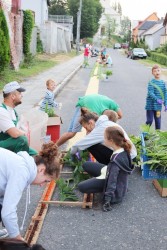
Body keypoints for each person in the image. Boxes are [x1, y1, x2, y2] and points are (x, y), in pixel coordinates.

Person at [0, 142, 60, 240]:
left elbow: (3, 198)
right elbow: (8, 212)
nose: (42, 185)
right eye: (45, 180)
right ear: (41, 170)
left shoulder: (22, 163)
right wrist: (17, 239)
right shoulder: (22, 171)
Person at [78, 126, 134, 212]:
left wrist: (107, 199)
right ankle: (96, 180)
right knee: (86, 165)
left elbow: (112, 181)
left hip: (111, 181)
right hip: (109, 172)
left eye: (104, 137)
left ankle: (99, 184)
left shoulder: (115, 161)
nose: (103, 139)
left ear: (111, 141)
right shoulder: (123, 150)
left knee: (81, 187)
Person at [70, 108, 137, 165]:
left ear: (90, 123)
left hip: (125, 160)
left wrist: (72, 157)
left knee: (91, 145)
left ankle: (108, 167)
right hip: (129, 156)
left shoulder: (100, 129)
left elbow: (77, 146)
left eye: (86, 128)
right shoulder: (106, 123)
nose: (87, 131)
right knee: (92, 143)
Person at [56, 94, 123, 147]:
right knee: (71, 133)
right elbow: (90, 133)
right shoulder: (94, 113)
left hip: (92, 100)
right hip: (84, 103)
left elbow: (120, 115)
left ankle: (87, 153)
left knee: (91, 132)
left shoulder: (112, 105)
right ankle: (53, 149)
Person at [0, 81, 37, 155]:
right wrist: (25, 134)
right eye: (19, 93)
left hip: (10, 143)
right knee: (22, 140)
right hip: (1, 146)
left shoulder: (13, 111)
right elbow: (15, 133)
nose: (22, 95)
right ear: (13, 96)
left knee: (36, 155)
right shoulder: (1, 111)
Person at [145, 64, 167, 129]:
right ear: (152, 73)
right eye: (155, 71)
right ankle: (144, 133)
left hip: (158, 107)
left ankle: (157, 135)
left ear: (161, 71)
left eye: (158, 70)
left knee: (158, 121)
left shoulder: (163, 83)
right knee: (149, 120)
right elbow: (150, 93)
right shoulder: (151, 82)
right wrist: (157, 99)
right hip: (150, 106)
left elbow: (165, 94)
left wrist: (166, 104)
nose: (157, 72)